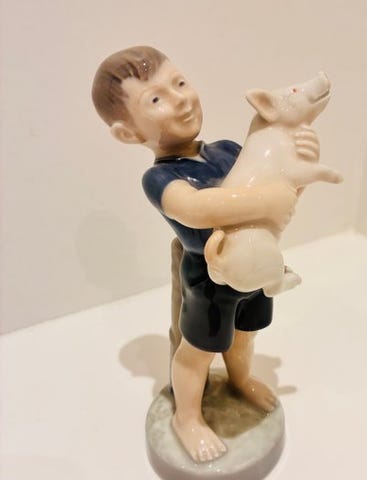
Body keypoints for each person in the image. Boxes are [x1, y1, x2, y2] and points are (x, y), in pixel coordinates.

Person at [91, 46, 318, 463]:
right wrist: (270, 198)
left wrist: (301, 161)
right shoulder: (161, 177)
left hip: (256, 264)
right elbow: (198, 210)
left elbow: (281, 197)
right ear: (129, 134)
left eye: (179, 82)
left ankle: (240, 379)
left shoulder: (229, 150)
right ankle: (188, 417)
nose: (180, 98)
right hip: (210, 278)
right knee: (198, 351)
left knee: (246, 333)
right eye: (155, 99)